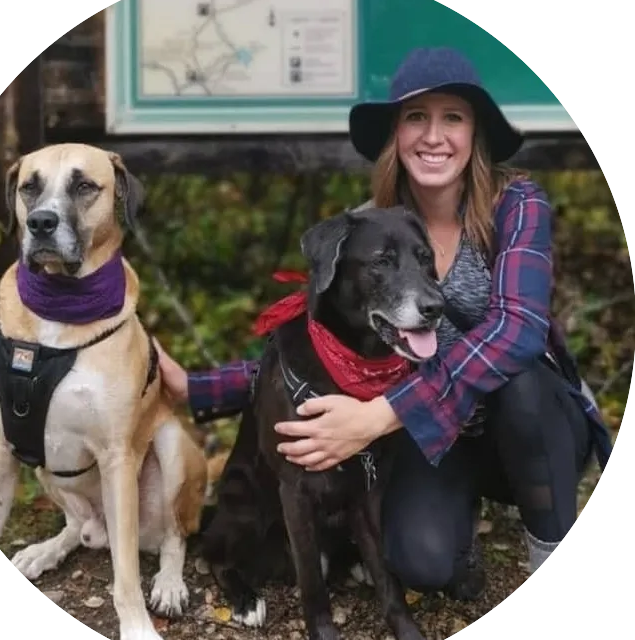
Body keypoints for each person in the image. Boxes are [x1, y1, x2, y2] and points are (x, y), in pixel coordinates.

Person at [155, 47, 614, 599]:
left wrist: (380, 414)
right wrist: (194, 387)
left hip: (533, 425)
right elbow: (315, 349)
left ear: (476, 134)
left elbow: (518, 331)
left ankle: (548, 546)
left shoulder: (516, 205)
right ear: (396, 133)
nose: (434, 136)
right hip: (437, 430)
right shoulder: (374, 229)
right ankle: (458, 534)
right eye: (416, 117)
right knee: (418, 560)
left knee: (522, 385)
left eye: (453, 118)